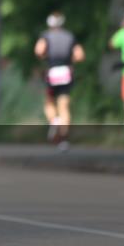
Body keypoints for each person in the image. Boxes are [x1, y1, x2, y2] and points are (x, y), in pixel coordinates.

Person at [34, 12, 84, 151]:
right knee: (64, 105)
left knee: (49, 101)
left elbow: (38, 50)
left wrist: (45, 57)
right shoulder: (69, 36)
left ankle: (54, 120)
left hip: (53, 71)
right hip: (66, 71)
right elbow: (80, 55)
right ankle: (63, 138)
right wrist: (70, 61)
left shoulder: (46, 36)